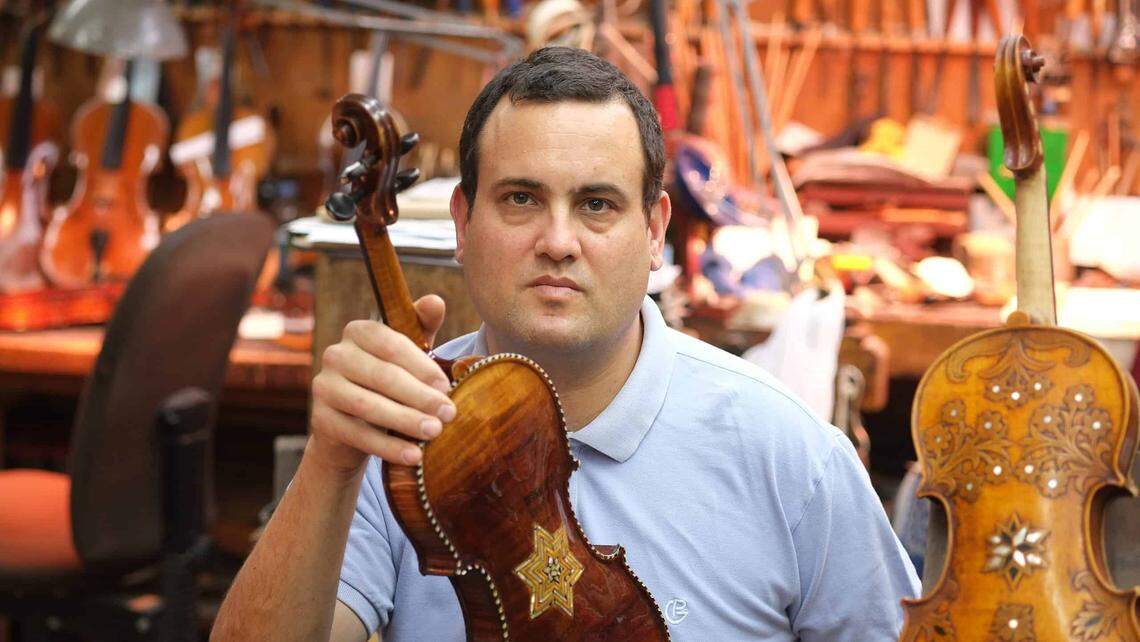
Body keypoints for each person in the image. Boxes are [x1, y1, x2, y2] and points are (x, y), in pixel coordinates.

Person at [211, 46, 919, 642]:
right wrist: (333, 461)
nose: (557, 243)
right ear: (463, 223)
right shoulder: (399, 436)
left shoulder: (792, 456)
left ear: (653, 231)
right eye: (520, 199)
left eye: (596, 205)